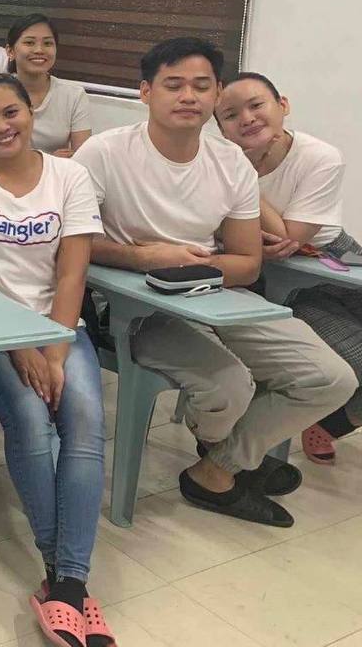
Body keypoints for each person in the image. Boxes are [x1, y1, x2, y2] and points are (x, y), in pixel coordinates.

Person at [73, 38, 356, 527]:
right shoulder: (105, 152)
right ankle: (234, 459)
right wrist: (146, 258)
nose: (189, 96)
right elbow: (73, 241)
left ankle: (218, 468)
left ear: (215, 92)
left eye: (202, 86)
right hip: (133, 308)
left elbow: (247, 263)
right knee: (229, 386)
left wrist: (189, 267)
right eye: (174, 85)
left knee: (330, 377)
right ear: (145, 92)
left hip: (218, 295)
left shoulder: (231, 163)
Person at [0, 75, 111, 647]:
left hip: (58, 327)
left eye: (11, 112)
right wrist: (21, 347)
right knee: (30, 417)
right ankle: (65, 579)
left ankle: (67, 584)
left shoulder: (71, 175)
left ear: (32, 111)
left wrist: (53, 349)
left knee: (84, 421)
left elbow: (72, 274)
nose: (1, 127)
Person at [216, 72, 362, 464]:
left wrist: (244, 181)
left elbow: (292, 237)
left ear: (283, 105)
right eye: (230, 115)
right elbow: (284, 242)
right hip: (279, 278)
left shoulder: (320, 156)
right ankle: (313, 416)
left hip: (336, 255)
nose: (246, 118)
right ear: (221, 129)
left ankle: (332, 422)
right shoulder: (220, 163)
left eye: (256, 105)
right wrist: (244, 172)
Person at [6, 13, 91, 156]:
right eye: (29, 42)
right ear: (10, 51)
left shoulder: (74, 95)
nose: (39, 50)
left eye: (47, 43)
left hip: (58, 177)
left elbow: (82, 156)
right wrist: (49, 160)